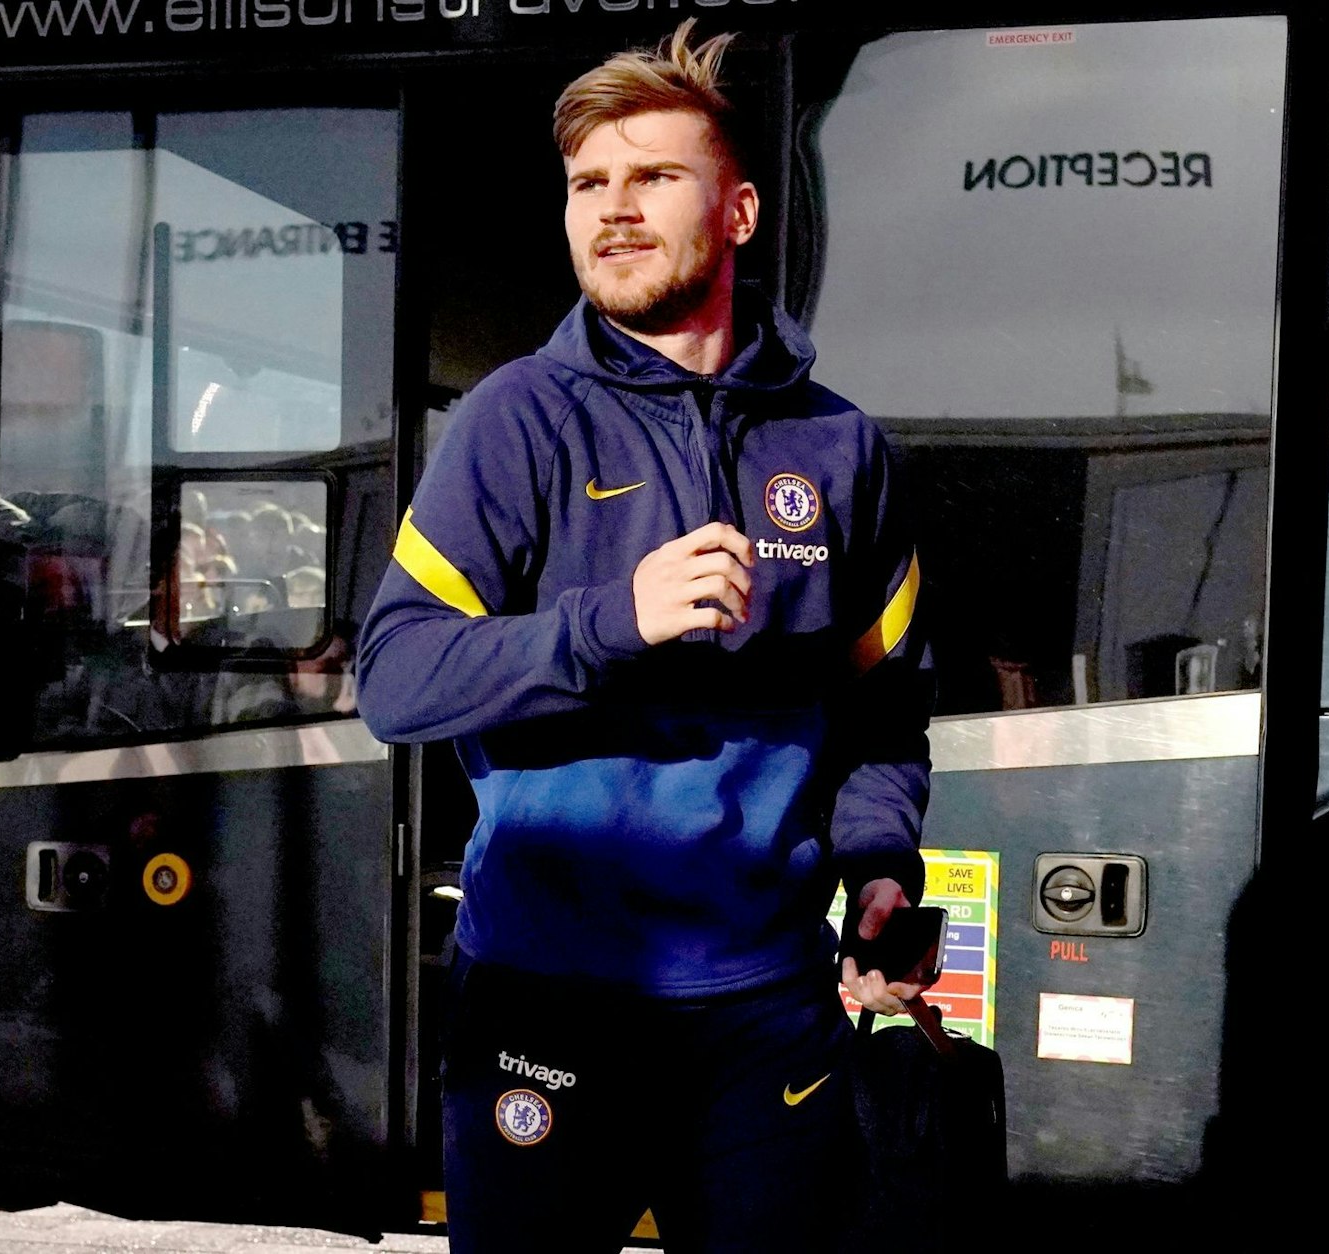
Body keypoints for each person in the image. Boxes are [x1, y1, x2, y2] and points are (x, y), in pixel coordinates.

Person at [356, 22, 932, 1254]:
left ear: (737, 213)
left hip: (767, 1009)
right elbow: (395, 677)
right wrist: (611, 622)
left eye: (652, 177)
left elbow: (882, 706)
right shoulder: (516, 419)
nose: (611, 209)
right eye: (587, 184)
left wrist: (880, 857)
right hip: (546, 1000)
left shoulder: (841, 449)